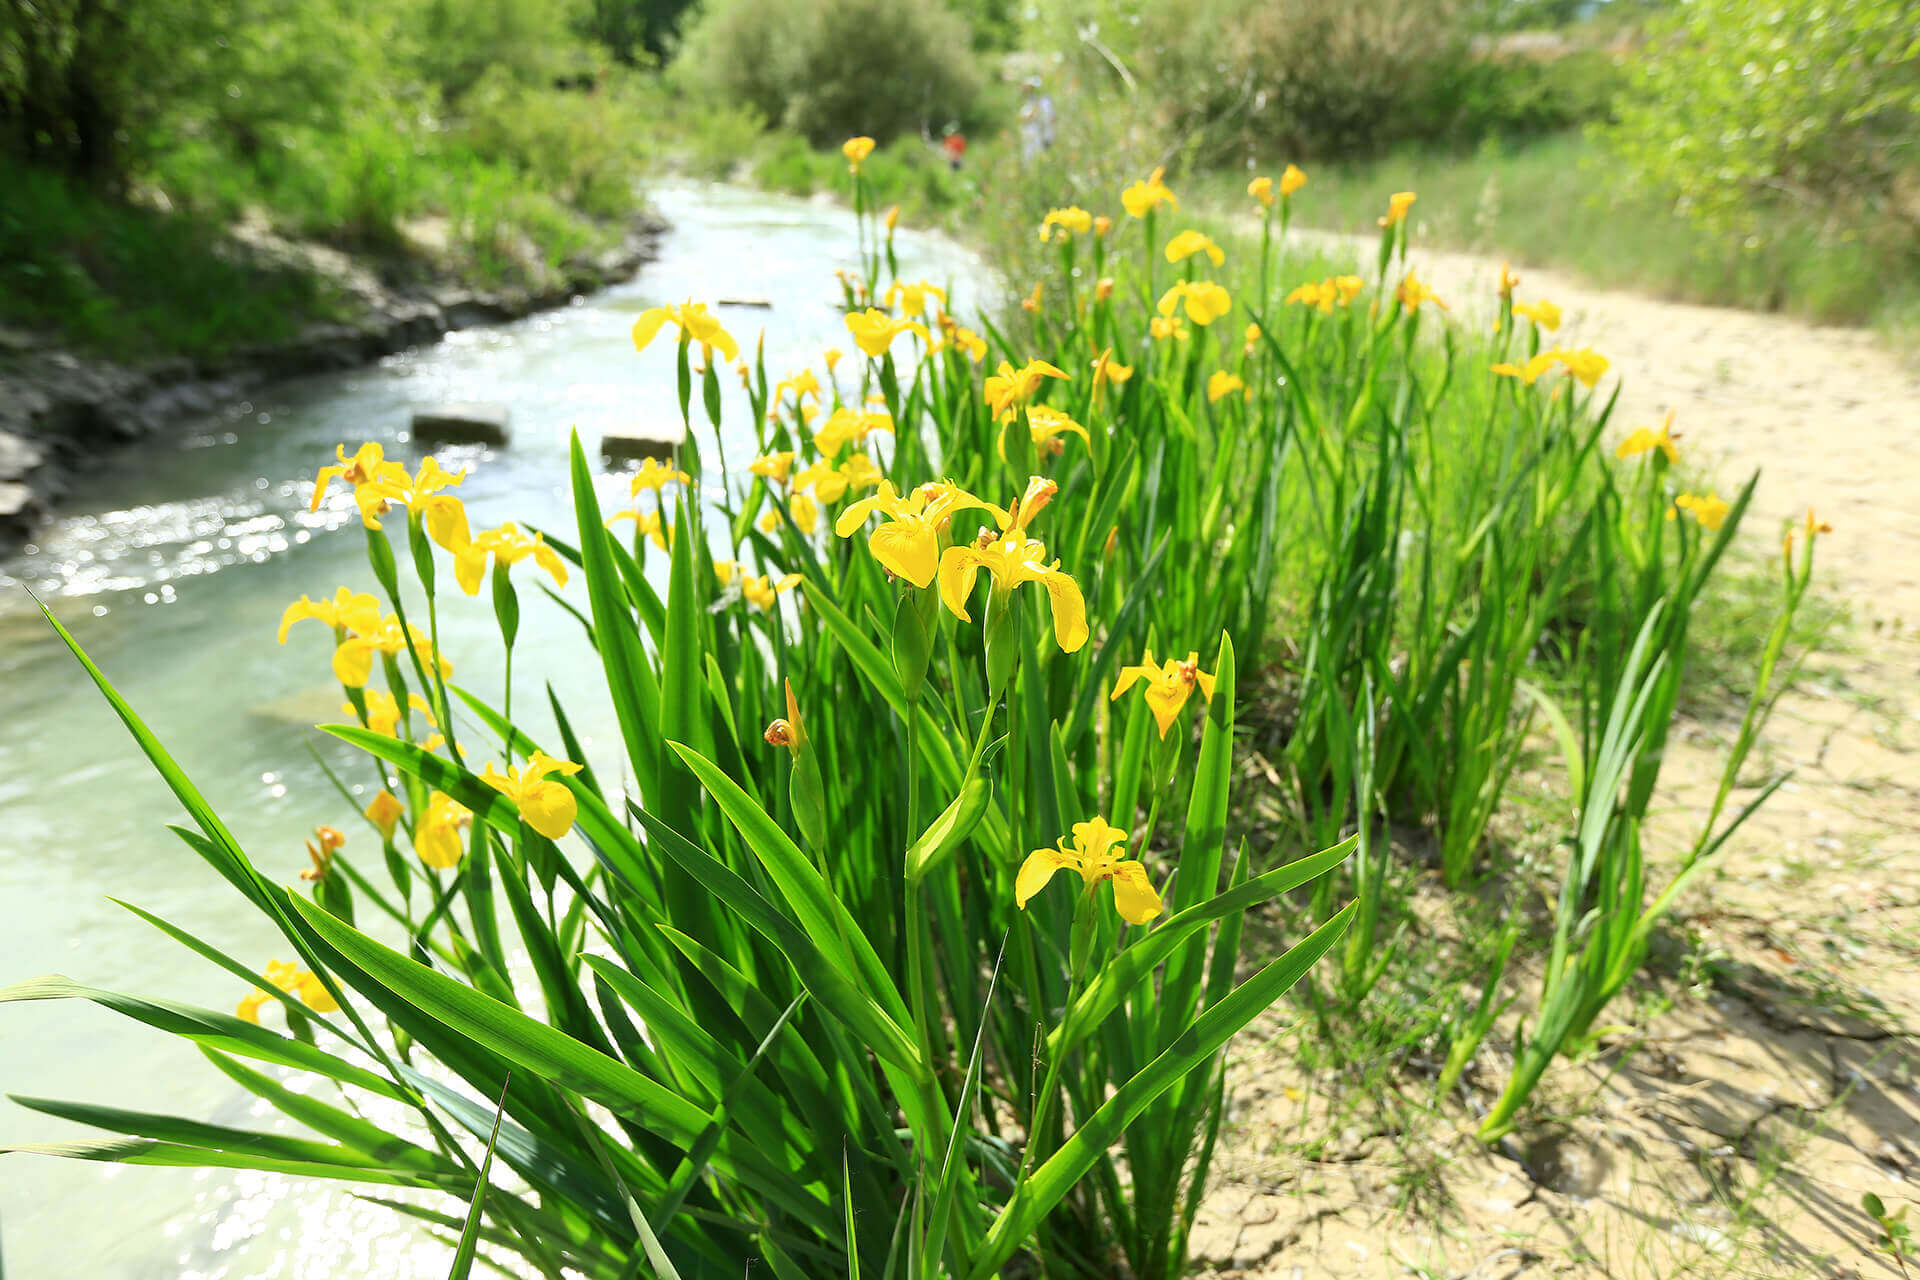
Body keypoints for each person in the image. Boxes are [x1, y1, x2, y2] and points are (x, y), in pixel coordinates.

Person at [1019, 77, 1055, 158]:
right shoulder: (1028, 103)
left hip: (1041, 136)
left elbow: (1050, 119)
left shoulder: (1045, 102)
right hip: (1031, 137)